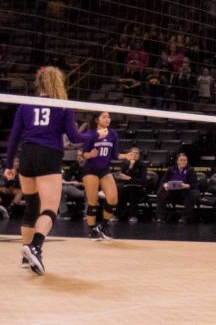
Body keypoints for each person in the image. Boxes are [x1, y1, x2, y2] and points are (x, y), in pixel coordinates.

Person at [4, 67, 98, 275]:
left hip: (27, 154)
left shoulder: (26, 105)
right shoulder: (62, 105)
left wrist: (9, 165)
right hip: (48, 155)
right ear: (58, 82)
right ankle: (35, 246)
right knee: (50, 208)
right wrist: (93, 135)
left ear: (39, 83)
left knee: (31, 206)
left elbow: (13, 138)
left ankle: (25, 255)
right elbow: (74, 138)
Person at [81, 112, 134, 241]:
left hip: (104, 170)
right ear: (97, 120)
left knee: (113, 200)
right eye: (104, 117)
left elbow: (115, 155)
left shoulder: (113, 134)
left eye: (109, 117)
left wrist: (126, 156)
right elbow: (84, 154)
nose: (107, 119)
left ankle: (103, 226)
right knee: (93, 201)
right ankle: (92, 229)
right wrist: (91, 155)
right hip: (91, 170)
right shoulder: (91, 134)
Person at [155, 153, 200, 223]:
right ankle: (160, 217)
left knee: (190, 193)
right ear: (177, 161)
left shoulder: (191, 170)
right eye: (181, 160)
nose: (183, 162)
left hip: (185, 191)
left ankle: (186, 217)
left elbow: (194, 184)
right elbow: (162, 182)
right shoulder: (171, 169)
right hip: (172, 191)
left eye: (185, 160)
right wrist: (165, 185)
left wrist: (186, 185)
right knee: (161, 191)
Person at [114, 146, 147, 222]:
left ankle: (133, 215)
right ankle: (117, 215)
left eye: (137, 153)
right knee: (122, 189)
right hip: (125, 188)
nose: (135, 155)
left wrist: (129, 178)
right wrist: (131, 166)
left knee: (132, 189)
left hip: (138, 189)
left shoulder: (142, 166)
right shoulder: (125, 164)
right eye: (133, 153)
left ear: (139, 155)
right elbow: (123, 178)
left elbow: (142, 181)